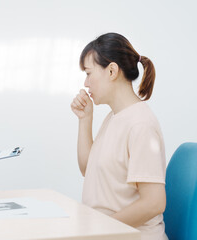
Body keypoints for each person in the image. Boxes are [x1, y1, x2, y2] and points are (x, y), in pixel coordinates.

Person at [71, 33, 167, 240]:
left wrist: (99, 228)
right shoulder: (115, 117)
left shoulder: (141, 125)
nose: (86, 83)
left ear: (112, 71)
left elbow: (154, 202)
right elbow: (88, 170)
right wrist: (85, 119)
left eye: (88, 73)